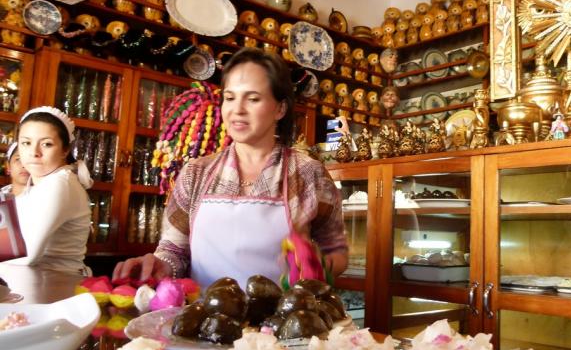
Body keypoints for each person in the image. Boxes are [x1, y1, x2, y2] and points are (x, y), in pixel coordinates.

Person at [114, 48, 348, 288]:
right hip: (205, 320)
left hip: (284, 321)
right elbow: (174, 251)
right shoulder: (195, 173)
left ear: (280, 109)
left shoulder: (308, 173)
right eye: (229, 97)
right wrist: (159, 266)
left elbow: (336, 251)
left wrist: (317, 265)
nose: (237, 110)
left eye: (253, 98)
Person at [1, 107, 93, 274]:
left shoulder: (60, 184)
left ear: (65, 150)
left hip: (55, 290)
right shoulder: (37, 185)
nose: (34, 152)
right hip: (30, 284)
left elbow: (26, 255)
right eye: (26, 143)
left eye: (46, 144)